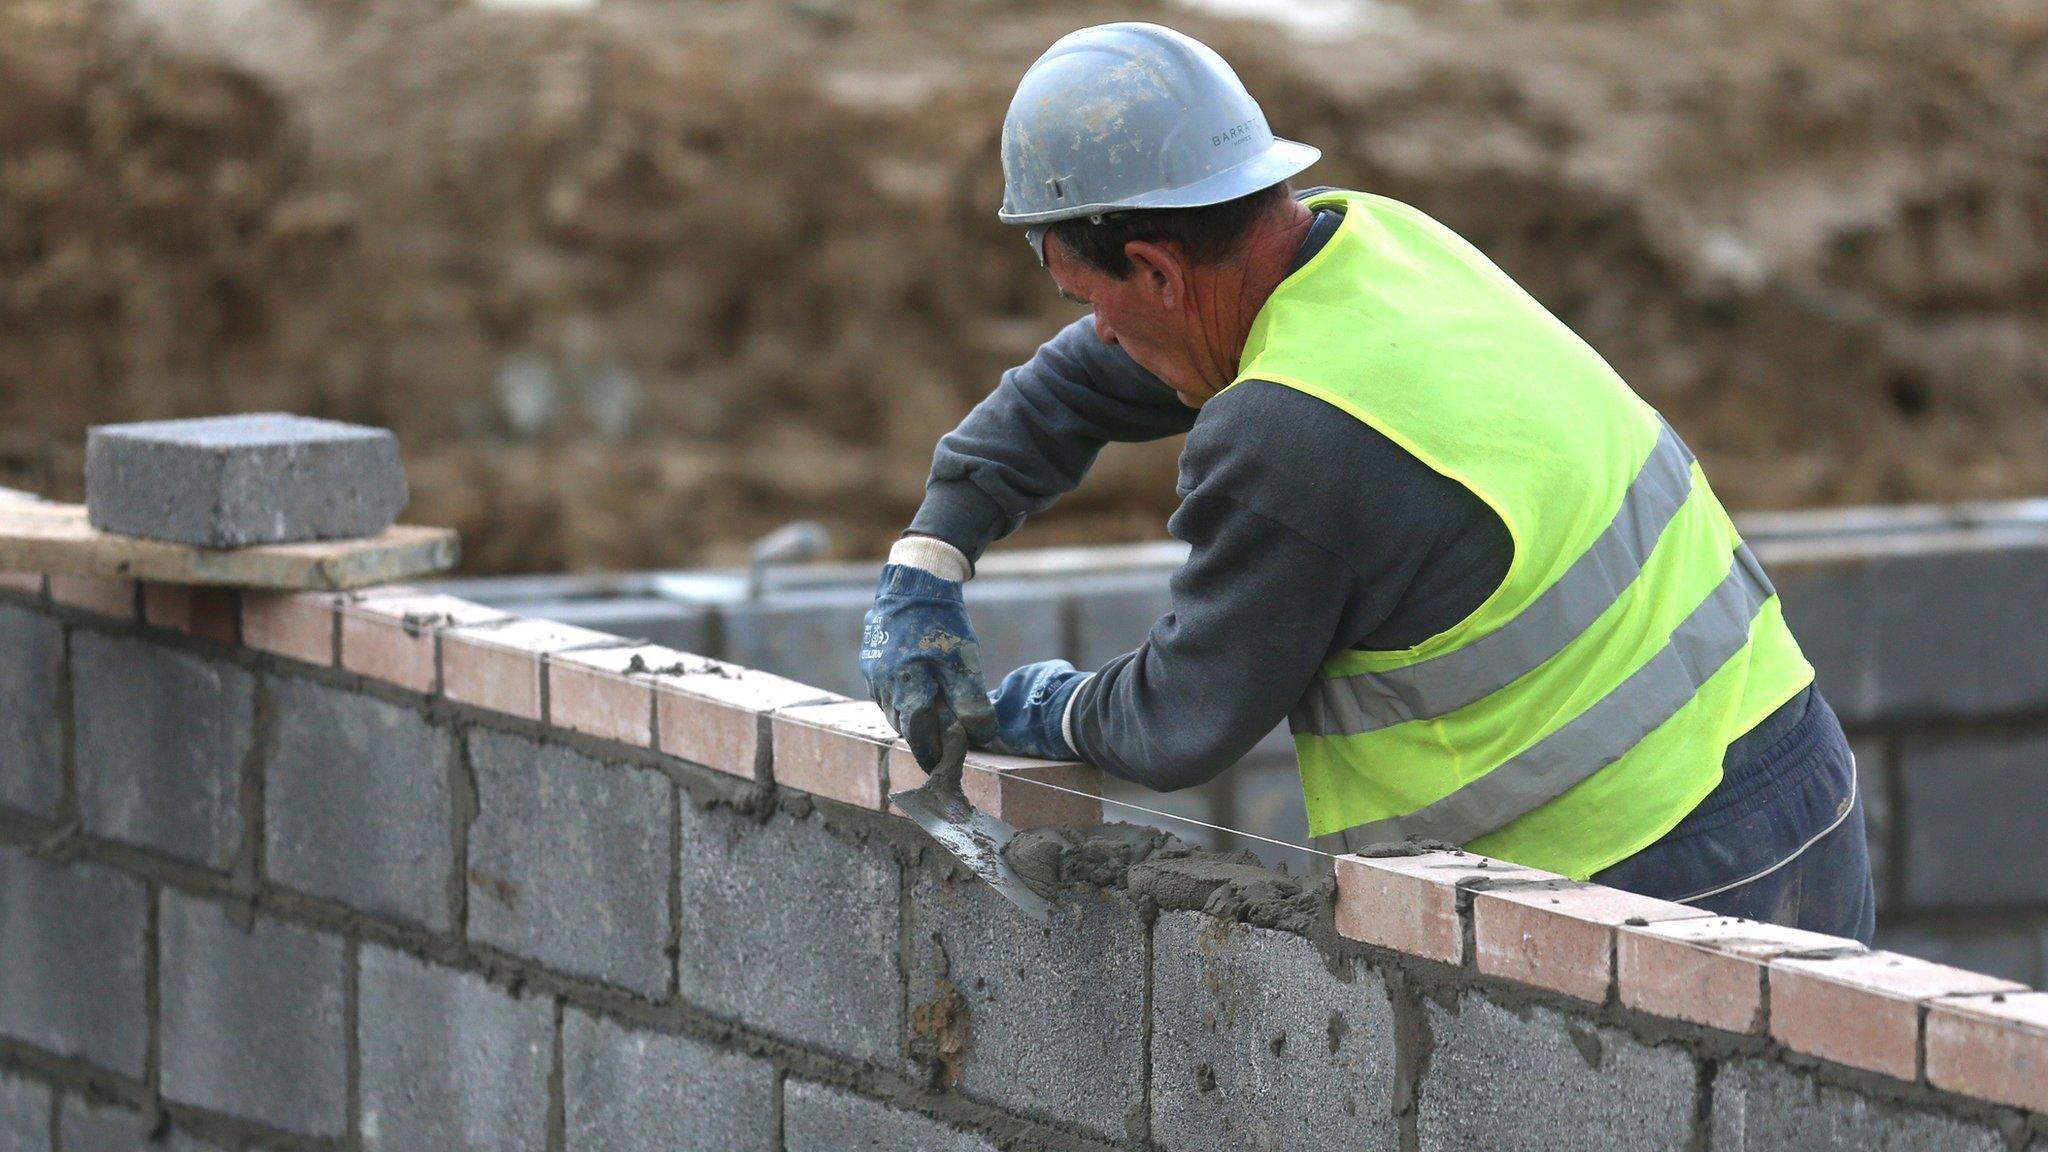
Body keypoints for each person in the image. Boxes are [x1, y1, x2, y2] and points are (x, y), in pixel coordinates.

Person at [859, 22, 1874, 941]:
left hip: (1647, 876)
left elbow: (1180, 718)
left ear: (1157, 269)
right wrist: (928, 558)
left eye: (1097, 300)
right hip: (1797, 779)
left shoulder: (1286, 436)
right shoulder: (1376, 246)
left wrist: (1036, 710)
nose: (1100, 334)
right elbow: (1074, 387)